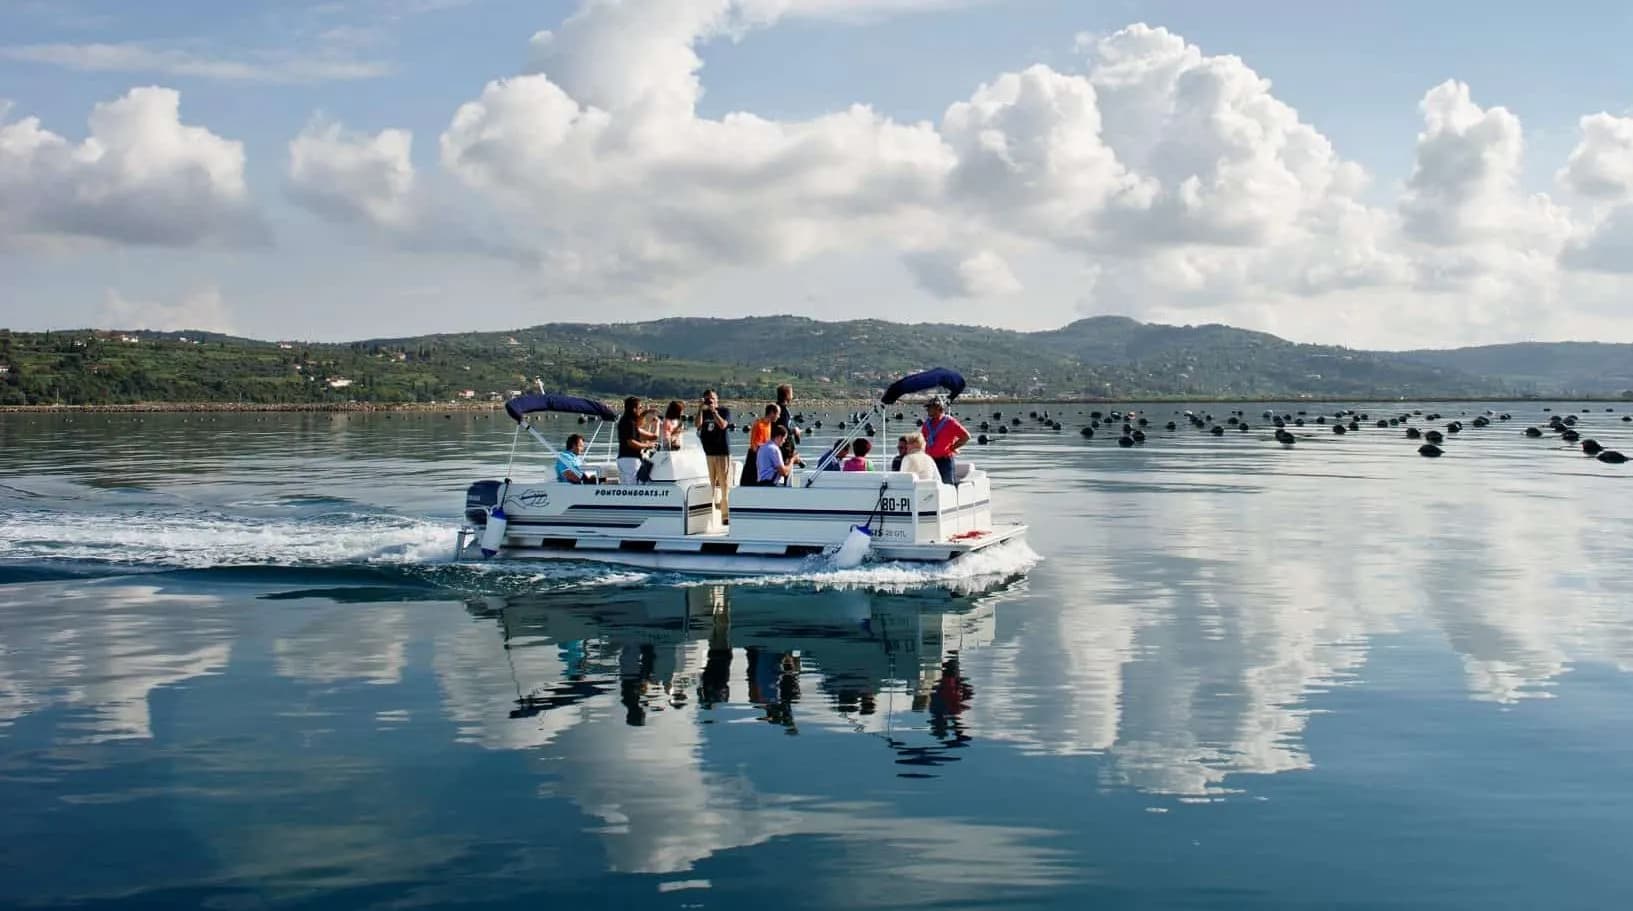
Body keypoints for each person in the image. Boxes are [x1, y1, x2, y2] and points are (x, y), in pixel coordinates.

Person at [695, 389, 734, 523]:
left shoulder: (724, 411)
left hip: (722, 452)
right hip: (708, 453)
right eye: (707, 399)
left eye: (712, 398)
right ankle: (709, 514)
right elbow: (698, 425)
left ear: (717, 399)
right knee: (709, 484)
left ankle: (725, 516)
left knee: (724, 485)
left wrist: (714, 411)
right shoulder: (703, 413)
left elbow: (723, 425)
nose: (710, 401)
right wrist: (700, 409)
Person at [921, 396, 970, 485]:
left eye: (929, 407)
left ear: (938, 408)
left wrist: (952, 447)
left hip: (945, 461)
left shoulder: (950, 422)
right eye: (927, 407)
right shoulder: (926, 424)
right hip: (930, 461)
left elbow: (966, 437)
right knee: (929, 485)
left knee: (948, 485)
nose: (927, 410)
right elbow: (922, 440)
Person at [617, 396, 658, 484]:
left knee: (627, 485)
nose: (641, 409)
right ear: (634, 409)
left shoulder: (626, 421)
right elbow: (631, 443)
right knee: (633, 486)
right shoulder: (629, 423)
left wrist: (646, 412)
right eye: (640, 408)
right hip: (630, 459)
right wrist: (648, 445)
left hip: (625, 458)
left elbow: (639, 422)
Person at [741, 403, 779, 487]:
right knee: (750, 482)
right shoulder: (759, 424)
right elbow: (754, 445)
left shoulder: (769, 424)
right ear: (772, 412)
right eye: (778, 414)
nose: (778, 416)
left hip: (762, 455)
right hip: (754, 456)